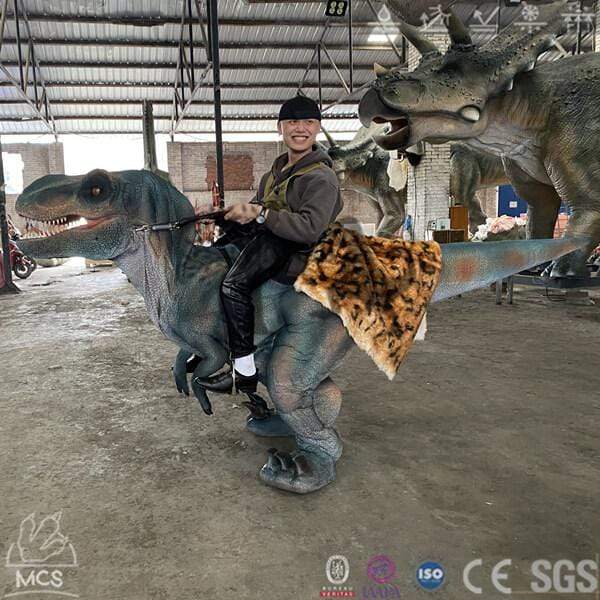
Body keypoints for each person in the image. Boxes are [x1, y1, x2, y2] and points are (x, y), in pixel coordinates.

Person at [198, 95, 343, 394]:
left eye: (308, 122)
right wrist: (222, 215)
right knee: (213, 258)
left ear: (317, 128)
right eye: (292, 122)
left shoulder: (321, 177)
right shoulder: (272, 175)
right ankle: (208, 343)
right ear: (280, 128)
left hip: (298, 250)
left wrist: (261, 214)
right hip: (270, 239)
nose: (300, 128)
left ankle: (244, 372)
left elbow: (309, 228)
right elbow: (256, 211)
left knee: (233, 285)